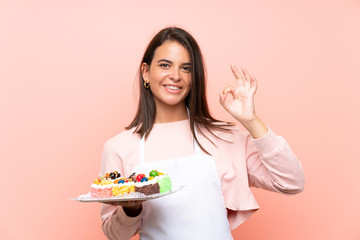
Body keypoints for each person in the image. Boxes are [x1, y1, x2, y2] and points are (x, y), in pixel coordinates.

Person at [99, 27, 304, 240]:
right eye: (165, 65)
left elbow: (292, 182)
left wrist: (251, 121)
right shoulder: (119, 147)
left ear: (194, 77)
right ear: (145, 72)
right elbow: (115, 235)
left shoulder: (225, 138)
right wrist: (131, 209)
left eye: (186, 68)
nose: (175, 76)